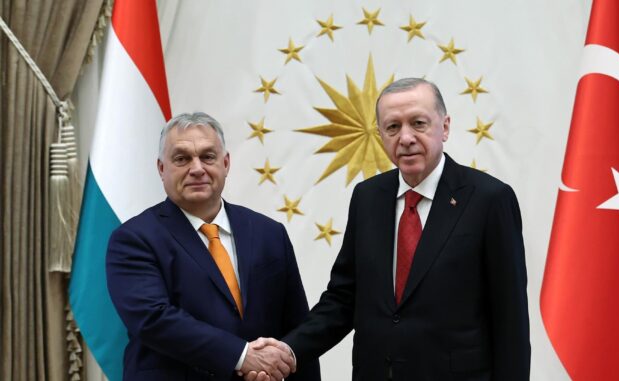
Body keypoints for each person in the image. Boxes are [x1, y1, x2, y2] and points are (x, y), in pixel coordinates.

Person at [250, 78, 530, 380]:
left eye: (418, 123)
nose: (405, 137)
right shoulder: (367, 198)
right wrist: (289, 351)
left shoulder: (489, 199)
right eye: (393, 127)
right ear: (380, 133)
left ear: (445, 127)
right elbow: (344, 299)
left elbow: (510, 321)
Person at [106, 112, 320, 381]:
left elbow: (295, 326)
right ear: (161, 168)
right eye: (182, 158)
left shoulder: (269, 233)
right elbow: (154, 319)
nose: (197, 168)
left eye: (208, 156)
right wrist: (242, 356)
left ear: (226, 163)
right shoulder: (134, 239)